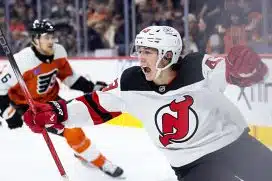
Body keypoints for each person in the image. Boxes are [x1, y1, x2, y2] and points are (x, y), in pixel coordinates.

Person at [23, 25, 272, 181]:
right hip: (192, 165)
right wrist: (57, 112)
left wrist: (250, 68)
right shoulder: (131, 81)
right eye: (139, 51)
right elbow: (95, 105)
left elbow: (234, 72)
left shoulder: (198, 67)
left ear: (168, 54)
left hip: (235, 145)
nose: (140, 57)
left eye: (148, 52)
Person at [0, 19, 124, 178]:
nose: (51, 41)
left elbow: (70, 78)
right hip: (30, 107)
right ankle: (100, 162)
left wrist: (91, 87)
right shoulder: (21, 62)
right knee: (72, 130)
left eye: (52, 36)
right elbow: (1, 88)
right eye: (46, 37)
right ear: (35, 40)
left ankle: (82, 152)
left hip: (52, 100)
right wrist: (9, 114)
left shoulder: (58, 52)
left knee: (77, 121)